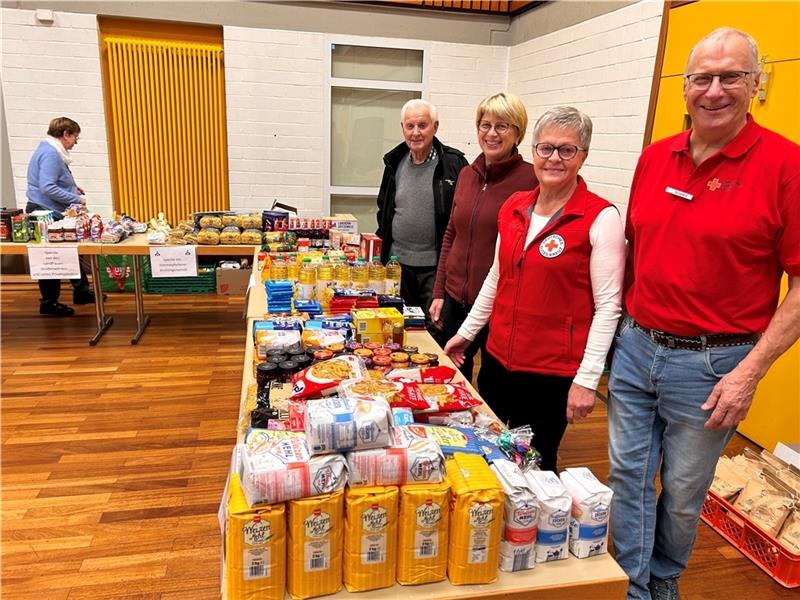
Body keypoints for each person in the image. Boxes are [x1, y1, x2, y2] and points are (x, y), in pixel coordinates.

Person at [608, 28, 800, 600]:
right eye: (702, 78)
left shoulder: (785, 165)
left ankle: (663, 582)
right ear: (684, 87)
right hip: (637, 347)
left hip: (714, 365)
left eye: (731, 76)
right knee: (628, 478)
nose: (714, 90)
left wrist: (749, 372)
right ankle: (630, 585)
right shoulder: (653, 157)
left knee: (686, 492)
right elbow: (636, 254)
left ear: (756, 83)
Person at [444, 106, 625, 472]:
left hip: (551, 375)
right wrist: (466, 334)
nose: (554, 158)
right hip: (497, 363)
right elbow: (496, 278)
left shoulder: (600, 218)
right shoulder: (514, 207)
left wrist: (588, 380)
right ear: (534, 151)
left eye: (566, 150)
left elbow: (608, 308)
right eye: (546, 148)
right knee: (493, 452)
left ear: (583, 156)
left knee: (537, 465)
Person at [429, 92, 537, 385]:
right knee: (452, 380)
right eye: (485, 125)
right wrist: (439, 291)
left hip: (497, 308)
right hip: (455, 299)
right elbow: (452, 234)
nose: (491, 133)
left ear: (518, 132)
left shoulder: (532, 181)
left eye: (502, 126)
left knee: (493, 389)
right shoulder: (466, 174)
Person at [376, 99, 468, 330]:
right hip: (397, 266)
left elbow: (463, 218)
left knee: (434, 328)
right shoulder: (394, 163)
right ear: (403, 128)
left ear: (435, 127)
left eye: (422, 125)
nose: (415, 132)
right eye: (410, 126)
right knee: (397, 328)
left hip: (435, 270)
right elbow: (384, 209)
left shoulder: (454, 164)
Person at [26, 117, 96, 316]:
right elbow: (47, 187)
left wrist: (73, 187)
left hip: (48, 209)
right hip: (46, 212)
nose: (75, 142)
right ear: (66, 134)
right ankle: (48, 303)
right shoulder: (51, 154)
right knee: (51, 257)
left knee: (72, 250)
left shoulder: (48, 150)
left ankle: (81, 291)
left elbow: (52, 181)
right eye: (75, 137)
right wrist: (77, 198)